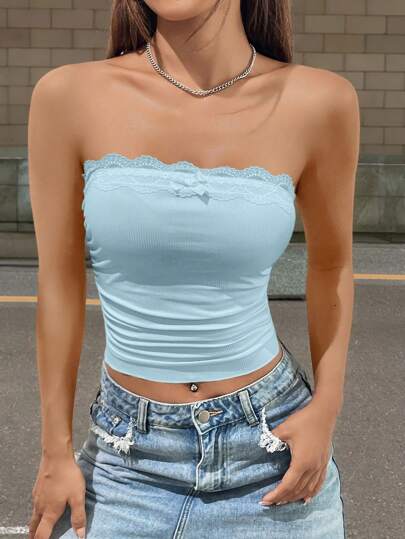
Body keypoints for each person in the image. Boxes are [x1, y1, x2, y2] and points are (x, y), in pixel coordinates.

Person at [27, 0, 359, 537]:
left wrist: (327, 408)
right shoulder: (68, 95)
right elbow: (59, 280)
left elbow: (332, 264)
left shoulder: (320, 101)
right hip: (124, 462)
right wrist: (55, 451)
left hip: (272, 454)